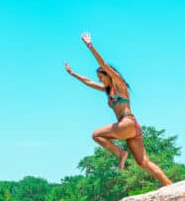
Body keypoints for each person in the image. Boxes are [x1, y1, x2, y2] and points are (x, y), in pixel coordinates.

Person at [64, 33, 172, 185]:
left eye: (101, 77)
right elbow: (88, 82)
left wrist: (90, 46)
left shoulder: (119, 85)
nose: (99, 79)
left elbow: (104, 64)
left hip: (127, 122)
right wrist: (72, 73)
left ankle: (121, 153)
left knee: (96, 135)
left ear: (107, 74)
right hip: (131, 128)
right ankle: (170, 186)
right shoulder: (108, 90)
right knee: (143, 162)